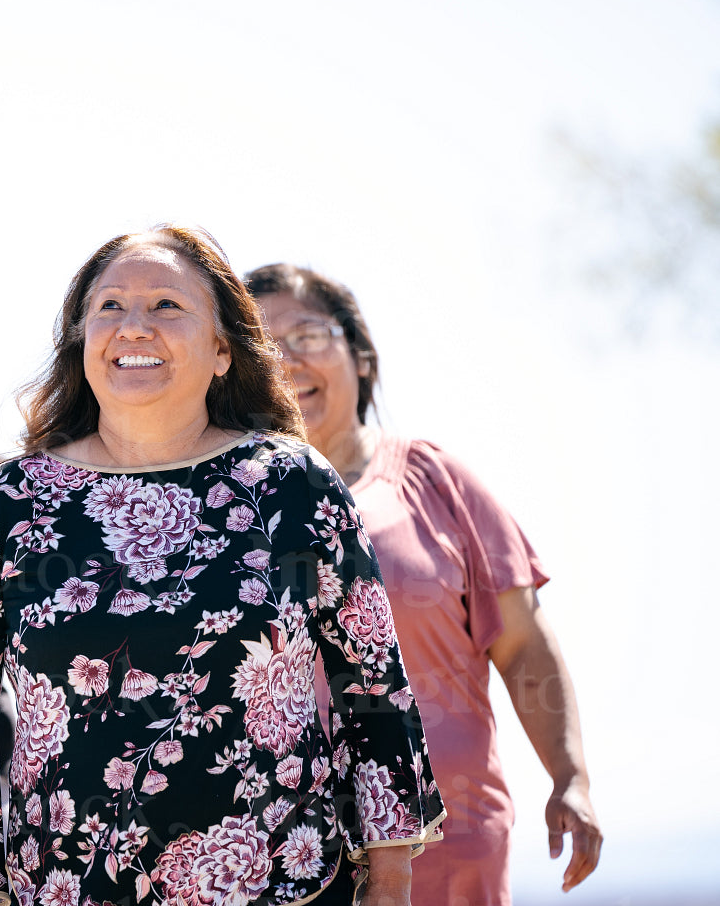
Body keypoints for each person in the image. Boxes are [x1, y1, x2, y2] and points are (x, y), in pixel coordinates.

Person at [0, 226, 445, 906]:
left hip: (282, 889)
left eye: (167, 305)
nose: (134, 326)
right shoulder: (12, 501)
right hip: (68, 889)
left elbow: (373, 690)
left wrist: (392, 885)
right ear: (81, 343)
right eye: (110, 307)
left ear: (223, 350)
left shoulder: (291, 485)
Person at [245, 263, 601, 905]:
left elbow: (522, 645)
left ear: (360, 355)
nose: (288, 361)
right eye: (264, 346)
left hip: (451, 855)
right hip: (281, 862)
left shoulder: (436, 482)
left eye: (308, 335)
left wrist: (569, 777)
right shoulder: (219, 511)